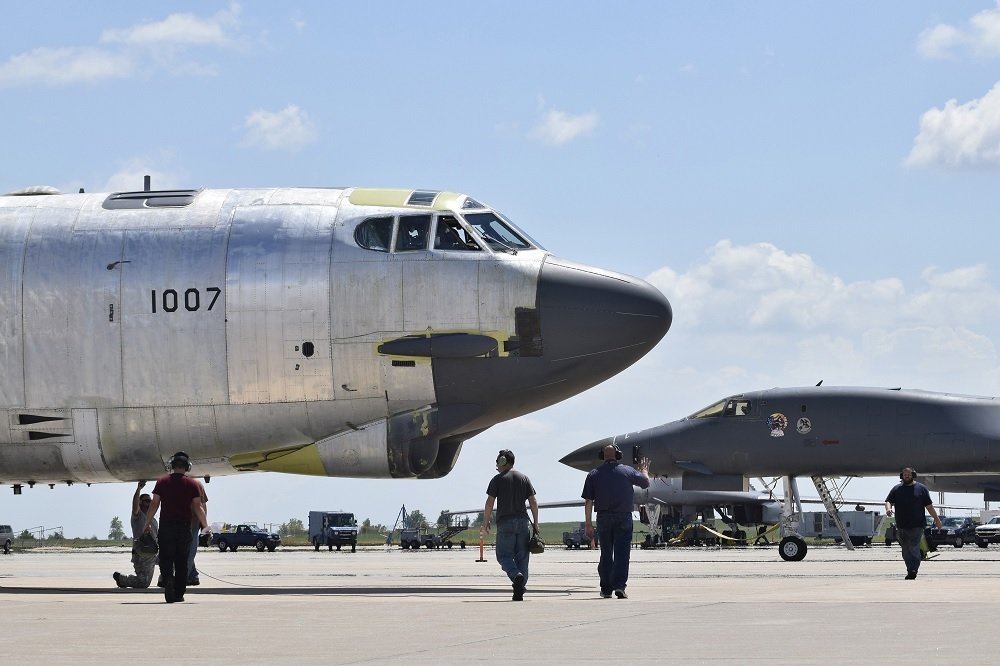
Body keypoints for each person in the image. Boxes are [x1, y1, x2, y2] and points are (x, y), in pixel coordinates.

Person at [582, 443, 650, 599]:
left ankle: (606, 589)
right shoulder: (627, 471)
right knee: (622, 554)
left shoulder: (593, 474)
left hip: (603, 518)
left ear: (602, 456)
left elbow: (588, 501)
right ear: (618, 455)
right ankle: (619, 587)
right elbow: (645, 482)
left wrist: (588, 524)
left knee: (606, 554)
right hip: (624, 517)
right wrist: (644, 470)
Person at [142, 452, 209, 603]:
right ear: (187, 467)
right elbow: (198, 508)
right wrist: (205, 527)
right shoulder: (192, 485)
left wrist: (146, 525)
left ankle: (168, 581)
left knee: (166, 558)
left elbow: (154, 504)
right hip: (184, 528)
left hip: (166, 527)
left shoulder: (162, 482)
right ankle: (179, 592)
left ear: (172, 466)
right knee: (181, 560)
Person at [481, 449, 539, 601]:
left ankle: (515, 575)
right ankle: (519, 589)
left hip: (505, 523)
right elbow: (533, 501)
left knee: (503, 556)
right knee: (523, 558)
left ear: (502, 462)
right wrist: (536, 523)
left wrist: (486, 521)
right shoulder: (524, 478)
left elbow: (489, 502)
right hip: (523, 522)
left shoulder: (497, 479)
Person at [885, 466, 942, 580]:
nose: (906, 476)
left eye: (909, 475)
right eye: (905, 475)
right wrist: (888, 509)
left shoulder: (922, 489)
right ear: (902, 476)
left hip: (917, 525)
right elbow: (888, 501)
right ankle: (910, 568)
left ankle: (913, 569)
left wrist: (936, 519)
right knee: (905, 549)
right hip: (901, 525)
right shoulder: (896, 489)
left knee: (914, 546)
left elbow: (929, 506)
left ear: (913, 475)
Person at [112, 481, 158, 589]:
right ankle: (122, 579)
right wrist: (138, 490)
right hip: (143, 553)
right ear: (141, 503)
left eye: (150, 501)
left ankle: (165, 580)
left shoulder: (153, 519)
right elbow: (135, 506)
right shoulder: (138, 516)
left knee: (172, 561)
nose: (149, 503)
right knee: (143, 583)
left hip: (155, 552)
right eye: (146, 501)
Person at [187, 478, 208, 586]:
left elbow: (201, 506)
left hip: (189, 523)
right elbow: (202, 506)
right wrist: (204, 525)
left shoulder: (197, 484)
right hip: (191, 523)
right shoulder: (197, 484)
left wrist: (204, 526)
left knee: (189, 552)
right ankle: (191, 575)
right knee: (189, 551)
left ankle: (186, 575)